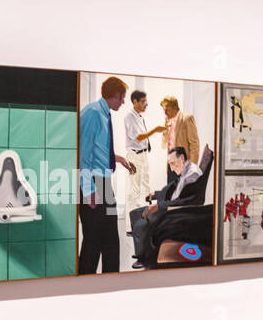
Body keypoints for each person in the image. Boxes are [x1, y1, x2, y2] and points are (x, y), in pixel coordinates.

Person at [78, 76, 135, 274]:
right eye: (122, 98)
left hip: (104, 184)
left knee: (111, 239)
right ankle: (85, 283)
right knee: (93, 240)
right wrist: (88, 190)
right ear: (116, 95)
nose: (123, 102)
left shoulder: (103, 114)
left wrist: (117, 158)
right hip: (94, 184)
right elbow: (83, 156)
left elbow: (98, 149)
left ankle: (111, 283)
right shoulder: (92, 113)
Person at [127, 147, 203, 269]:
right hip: (168, 205)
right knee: (134, 214)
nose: (172, 168)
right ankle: (142, 251)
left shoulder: (192, 174)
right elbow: (173, 189)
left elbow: (185, 202)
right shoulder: (186, 169)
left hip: (173, 212)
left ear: (182, 158)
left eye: (173, 164)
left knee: (140, 223)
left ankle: (143, 257)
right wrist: (156, 195)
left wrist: (159, 206)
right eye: (170, 165)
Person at [121, 90, 153, 220]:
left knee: (146, 188)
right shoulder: (129, 117)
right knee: (134, 191)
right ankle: (131, 225)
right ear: (135, 102)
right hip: (135, 156)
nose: (146, 104)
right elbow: (138, 137)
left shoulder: (140, 117)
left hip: (143, 155)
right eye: (143, 102)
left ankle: (145, 220)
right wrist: (155, 130)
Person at [159, 96, 200, 185]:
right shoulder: (167, 121)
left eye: (167, 109)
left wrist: (192, 168)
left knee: (183, 195)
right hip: (171, 166)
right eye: (164, 109)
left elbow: (194, 145)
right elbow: (164, 145)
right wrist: (165, 130)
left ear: (175, 107)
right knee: (171, 194)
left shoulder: (187, 118)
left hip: (184, 166)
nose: (165, 112)